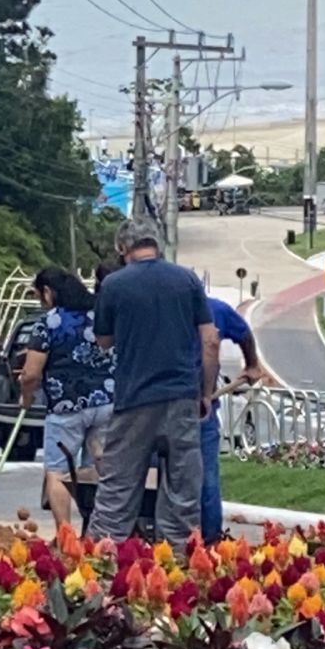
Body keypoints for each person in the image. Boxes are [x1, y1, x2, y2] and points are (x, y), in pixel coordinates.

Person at [86, 216, 218, 543]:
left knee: (117, 493)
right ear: (156, 244)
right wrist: (206, 392)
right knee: (182, 497)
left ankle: (98, 577)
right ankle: (177, 573)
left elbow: (103, 341)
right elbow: (210, 341)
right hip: (181, 399)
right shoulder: (188, 281)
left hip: (134, 401)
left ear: (122, 248)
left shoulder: (114, 285)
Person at [17, 267, 115, 528]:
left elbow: (30, 373)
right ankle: (96, 531)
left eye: (40, 296)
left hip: (66, 408)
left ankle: (65, 536)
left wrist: (25, 398)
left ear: (48, 292)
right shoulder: (100, 316)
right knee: (94, 469)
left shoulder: (49, 323)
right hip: (106, 402)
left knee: (58, 472)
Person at [198, 296, 263, 545]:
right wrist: (252, 365)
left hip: (173, 407)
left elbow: (237, 334)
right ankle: (209, 542)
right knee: (205, 479)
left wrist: (253, 363)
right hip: (198, 406)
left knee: (178, 477)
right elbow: (242, 333)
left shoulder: (211, 309)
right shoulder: (215, 308)